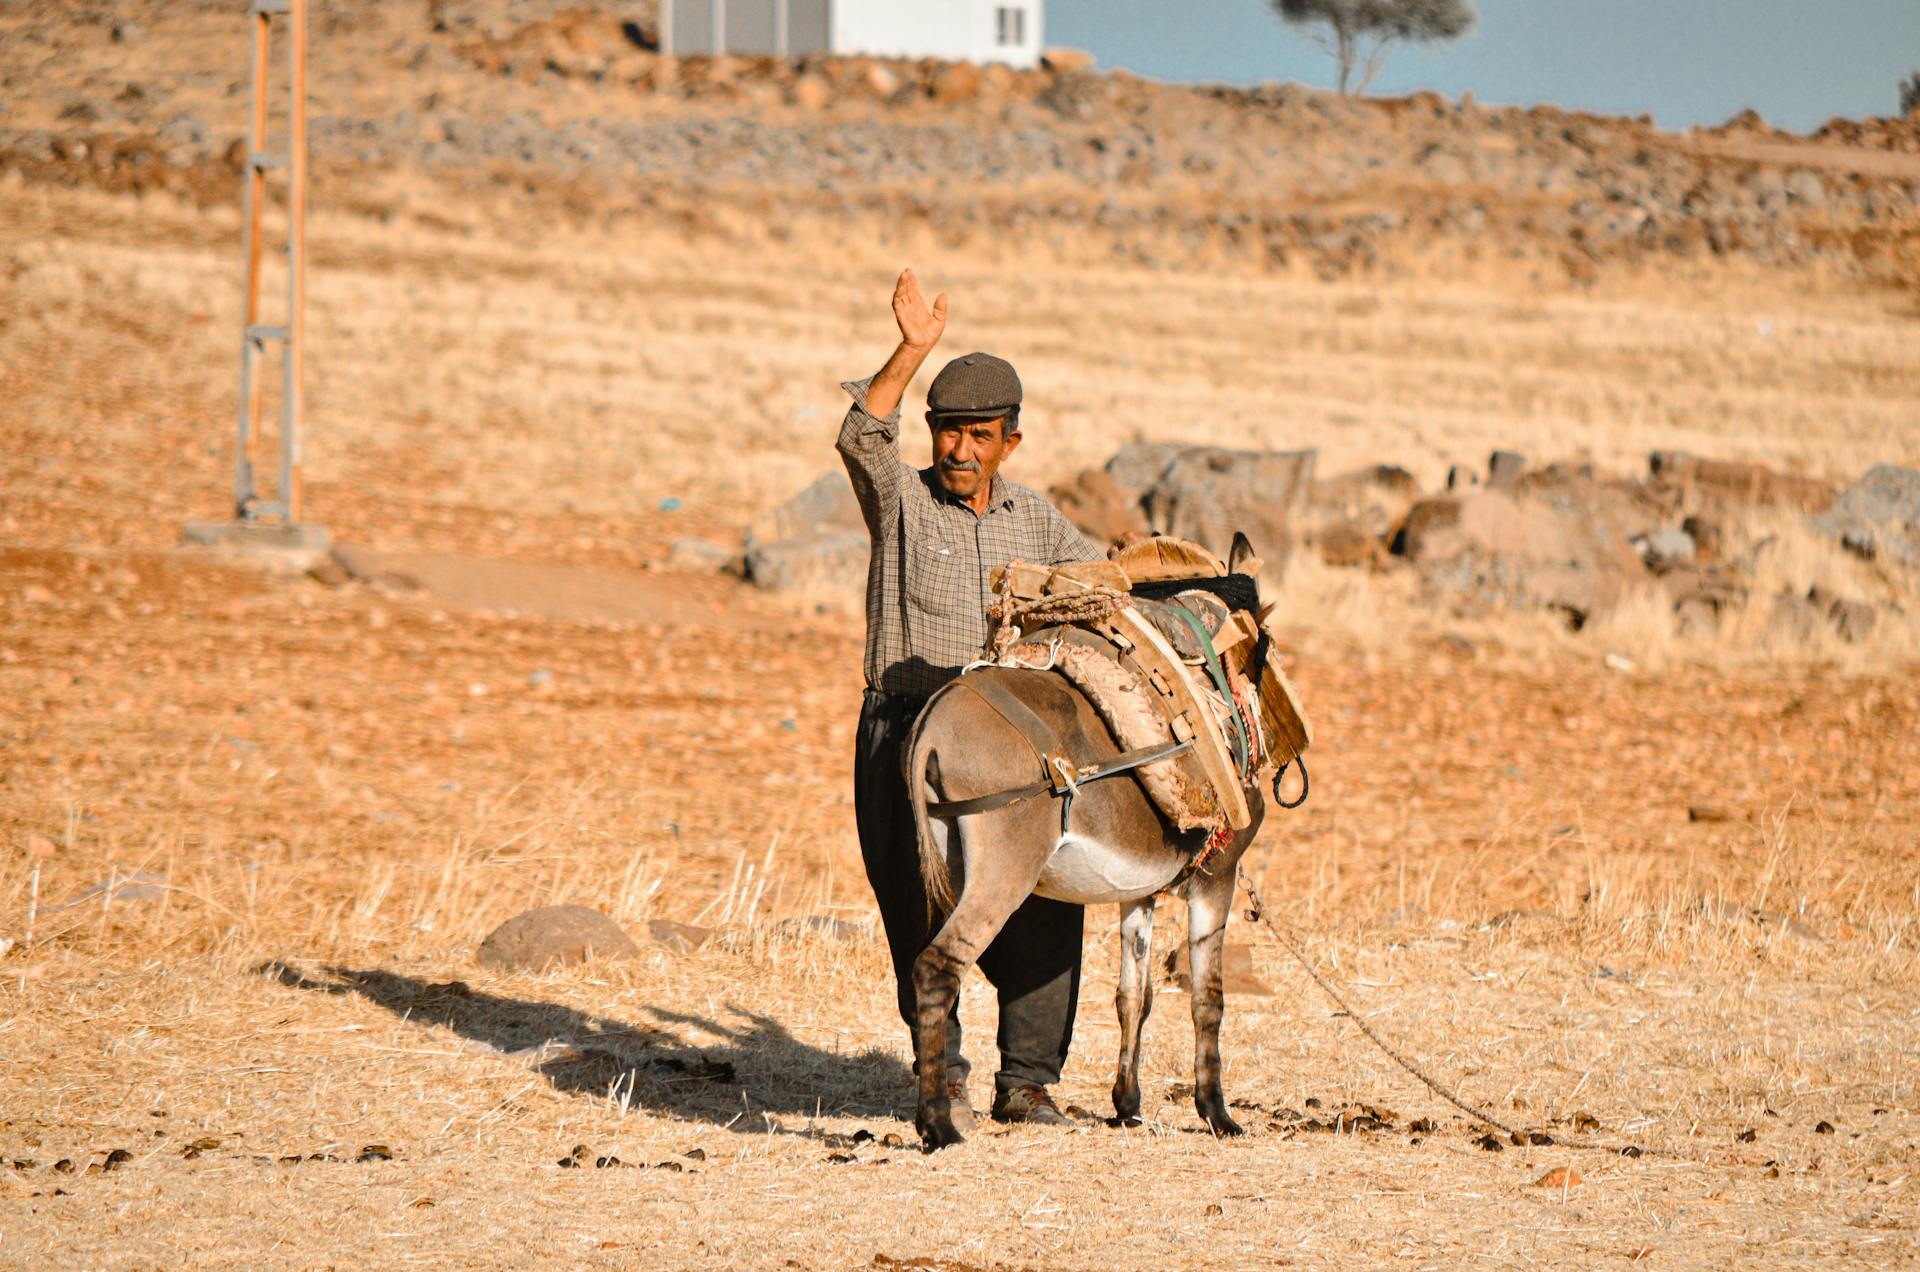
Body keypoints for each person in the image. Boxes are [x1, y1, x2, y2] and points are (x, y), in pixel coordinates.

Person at [838, 267, 1105, 1129]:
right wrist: (912, 350)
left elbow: (1102, 585)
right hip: (902, 728)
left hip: (1006, 744)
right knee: (915, 910)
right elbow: (860, 435)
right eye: (948, 433)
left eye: (979, 436)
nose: (960, 451)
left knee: (1044, 906)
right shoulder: (902, 502)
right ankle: (940, 1075)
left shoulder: (1038, 519)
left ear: (1010, 442)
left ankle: (1026, 1083)